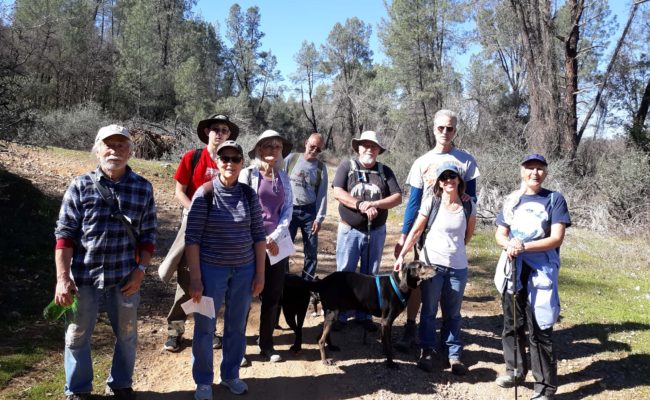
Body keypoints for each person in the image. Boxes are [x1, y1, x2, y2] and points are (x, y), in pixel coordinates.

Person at [53, 125, 157, 400]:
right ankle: (78, 390)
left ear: (131, 152)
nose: (115, 151)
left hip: (125, 278)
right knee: (76, 336)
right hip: (84, 279)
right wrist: (63, 278)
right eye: (108, 145)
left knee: (127, 335)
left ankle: (121, 384)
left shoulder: (143, 188)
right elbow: (65, 236)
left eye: (122, 145)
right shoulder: (80, 186)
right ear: (97, 149)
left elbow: (148, 236)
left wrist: (141, 271)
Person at [394, 109, 480, 351]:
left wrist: (462, 238)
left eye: (450, 128)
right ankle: (411, 327)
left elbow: (470, 197)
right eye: (441, 127)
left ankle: (443, 338)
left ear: (456, 130)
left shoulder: (466, 160)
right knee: (416, 281)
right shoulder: (422, 162)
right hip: (426, 231)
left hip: (450, 231)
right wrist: (405, 235)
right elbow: (414, 201)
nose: (445, 132)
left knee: (444, 288)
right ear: (433, 129)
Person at [186, 140, 266, 400]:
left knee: (235, 326)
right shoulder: (204, 193)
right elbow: (192, 239)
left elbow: (258, 235)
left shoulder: (248, 194)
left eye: (235, 158)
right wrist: (195, 278)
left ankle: (230, 374)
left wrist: (260, 273)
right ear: (217, 162)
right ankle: (203, 381)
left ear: (242, 162)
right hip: (210, 272)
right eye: (224, 158)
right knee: (205, 327)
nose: (229, 163)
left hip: (244, 270)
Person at [159, 114, 239, 352]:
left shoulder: (229, 161)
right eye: (216, 129)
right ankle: (175, 332)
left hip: (218, 232)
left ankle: (209, 330)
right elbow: (179, 192)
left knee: (210, 281)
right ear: (207, 132)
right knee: (186, 282)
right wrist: (196, 212)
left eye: (225, 130)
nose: (220, 133)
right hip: (192, 227)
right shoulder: (192, 158)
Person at [494, 154, 571, 400]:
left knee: (540, 328)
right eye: (530, 168)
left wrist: (524, 247)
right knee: (512, 322)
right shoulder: (511, 200)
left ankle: (545, 387)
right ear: (522, 171)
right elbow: (500, 234)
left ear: (545, 173)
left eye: (540, 169)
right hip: (513, 267)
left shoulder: (554, 199)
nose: (535, 173)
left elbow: (556, 238)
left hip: (542, 271)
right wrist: (510, 245)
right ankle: (515, 370)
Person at [394, 163, 476, 375]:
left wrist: (454, 250)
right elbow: (416, 230)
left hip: (458, 267)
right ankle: (427, 350)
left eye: (452, 176)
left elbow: (467, 236)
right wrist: (403, 254)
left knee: (453, 313)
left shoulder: (468, 206)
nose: (449, 180)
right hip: (432, 265)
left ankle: (453, 354)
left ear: (459, 180)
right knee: (429, 310)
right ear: (439, 182)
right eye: (444, 177)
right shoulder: (432, 202)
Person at [331, 130, 402, 331]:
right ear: (358, 147)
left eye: (373, 146)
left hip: (376, 231)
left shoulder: (385, 171)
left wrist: (376, 204)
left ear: (378, 150)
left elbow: (397, 197)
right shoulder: (347, 166)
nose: (369, 149)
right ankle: (341, 313)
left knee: (370, 275)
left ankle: (365, 314)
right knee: (345, 272)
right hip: (349, 230)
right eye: (365, 145)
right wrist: (361, 205)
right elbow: (338, 192)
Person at [239, 130, 293, 363]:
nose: (273, 150)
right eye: (268, 146)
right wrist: (260, 238)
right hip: (248, 244)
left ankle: (267, 344)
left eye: (277, 147)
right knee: (242, 297)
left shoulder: (283, 177)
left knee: (273, 296)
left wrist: (274, 236)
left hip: (276, 246)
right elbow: (239, 207)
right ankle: (238, 347)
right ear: (259, 149)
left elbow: (287, 210)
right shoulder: (247, 174)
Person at [283, 132, 328, 280]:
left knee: (311, 251)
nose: (314, 150)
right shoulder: (291, 159)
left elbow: (322, 194)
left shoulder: (321, 168)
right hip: (289, 210)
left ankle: (306, 283)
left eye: (318, 149)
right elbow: (280, 182)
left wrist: (319, 218)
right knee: (284, 248)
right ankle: (283, 280)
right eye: (312, 146)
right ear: (305, 143)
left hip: (309, 213)